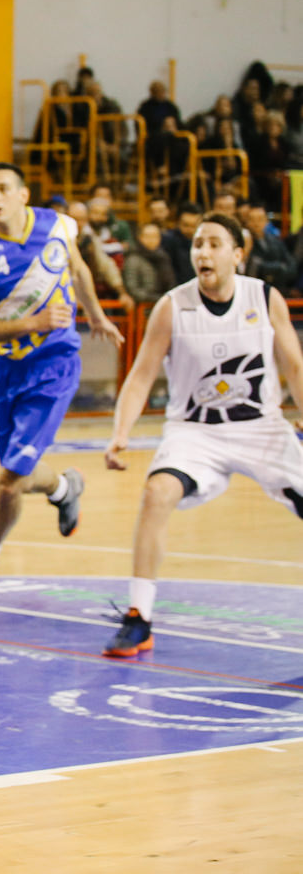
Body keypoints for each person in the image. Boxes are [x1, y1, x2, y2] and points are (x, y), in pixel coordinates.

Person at [102, 213, 303, 657]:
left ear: (237, 255)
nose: (203, 252)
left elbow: (294, 364)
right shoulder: (172, 306)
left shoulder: (264, 298)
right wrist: (120, 432)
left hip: (260, 427)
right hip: (195, 432)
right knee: (156, 493)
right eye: (197, 244)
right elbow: (141, 376)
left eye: (214, 244)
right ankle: (139, 617)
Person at [0, 164, 124, 600]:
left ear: (23, 195)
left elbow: (78, 271)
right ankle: (65, 487)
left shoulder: (58, 227)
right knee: (17, 473)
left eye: (2, 189)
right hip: (8, 368)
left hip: (55, 364)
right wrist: (34, 321)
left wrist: (97, 316)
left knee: (9, 479)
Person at [241, 200, 295, 291]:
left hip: (278, 289)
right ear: (246, 222)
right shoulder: (245, 242)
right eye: (252, 220)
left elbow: (292, 267)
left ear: (266, 221)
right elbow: (252, 266)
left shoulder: (275, 241)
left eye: (260, 219)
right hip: (254, 289)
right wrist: (279, 267)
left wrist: (268, 268)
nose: (256, 224)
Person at [122, 222, 176, 308]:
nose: (151, 240)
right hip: (143, 308)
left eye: (155, 236)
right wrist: (159, 299)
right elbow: (133, 290)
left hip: (164, 305)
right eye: (147, 236)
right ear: (140, 237)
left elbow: (171, 283)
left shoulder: (163, 257)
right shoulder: (133, 259)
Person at [162, 202, 201, 284]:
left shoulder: (203, 243)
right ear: (177, 223)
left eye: (194, 226)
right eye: (186, 225)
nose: (190, 230)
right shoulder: (168, 241)